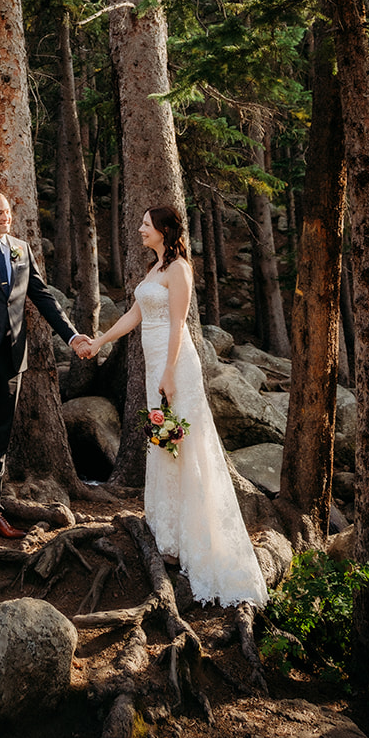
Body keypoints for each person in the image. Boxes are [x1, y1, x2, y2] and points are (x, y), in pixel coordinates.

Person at [89, 205, 268, 607]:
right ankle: (167, 534)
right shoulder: (154, 270)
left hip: (175, 365)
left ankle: (193, 536)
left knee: (184, 441)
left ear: (165, 231)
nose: (139, 228)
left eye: (146, 225)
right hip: (155, 365)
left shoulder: (179, 270)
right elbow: (135, 315)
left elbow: (178, 324)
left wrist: (168, 373)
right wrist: (99, 342)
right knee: (163, 442)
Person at [0, 190, 94, 541]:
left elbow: (42, 297)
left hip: (12, 358)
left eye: (8, 212)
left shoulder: (21, 249)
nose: (5, 217)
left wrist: (71, 337)